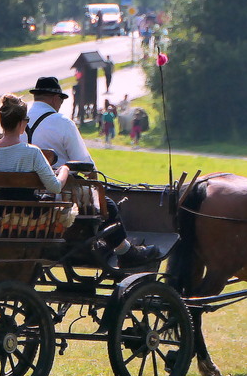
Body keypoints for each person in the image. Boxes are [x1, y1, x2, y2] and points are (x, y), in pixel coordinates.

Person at [27, 76, 157, 267]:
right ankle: (125, 251)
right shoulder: (62, 122)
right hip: (59, 193)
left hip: (28, 194)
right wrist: (96, 188)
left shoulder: (18, 121)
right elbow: (85, 163)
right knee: (108, 205)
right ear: (55, 99)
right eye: (61, 101)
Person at [0, 94, 69, 199]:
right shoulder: (32, 152)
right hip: (25, 213)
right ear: (22, 122)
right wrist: (64, 170)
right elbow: (55, 187)